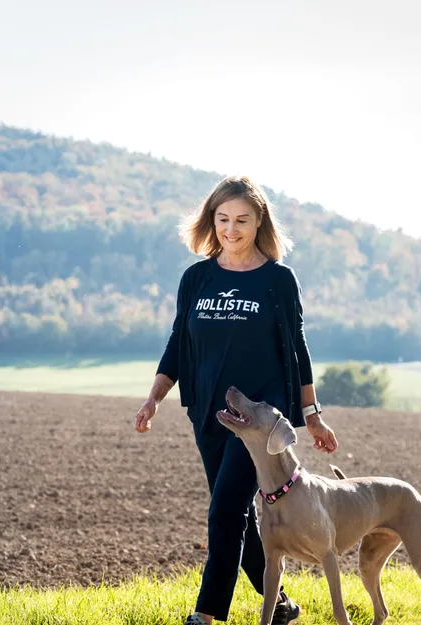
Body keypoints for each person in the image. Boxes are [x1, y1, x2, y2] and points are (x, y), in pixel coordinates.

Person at [133, 175, 339, 625]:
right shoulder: (197, 278)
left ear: (259, 221)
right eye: (223, 218)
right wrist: (154, 399)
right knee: (238, 515)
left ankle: (205, 615)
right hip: (209, 413)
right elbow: (178, 343)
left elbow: (297, 349)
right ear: (212, 220)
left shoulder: (277, 280)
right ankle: (280, 605)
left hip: (259, 422)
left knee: (225, 510)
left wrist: (312, 415)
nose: (231, 228)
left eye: (242, 220)